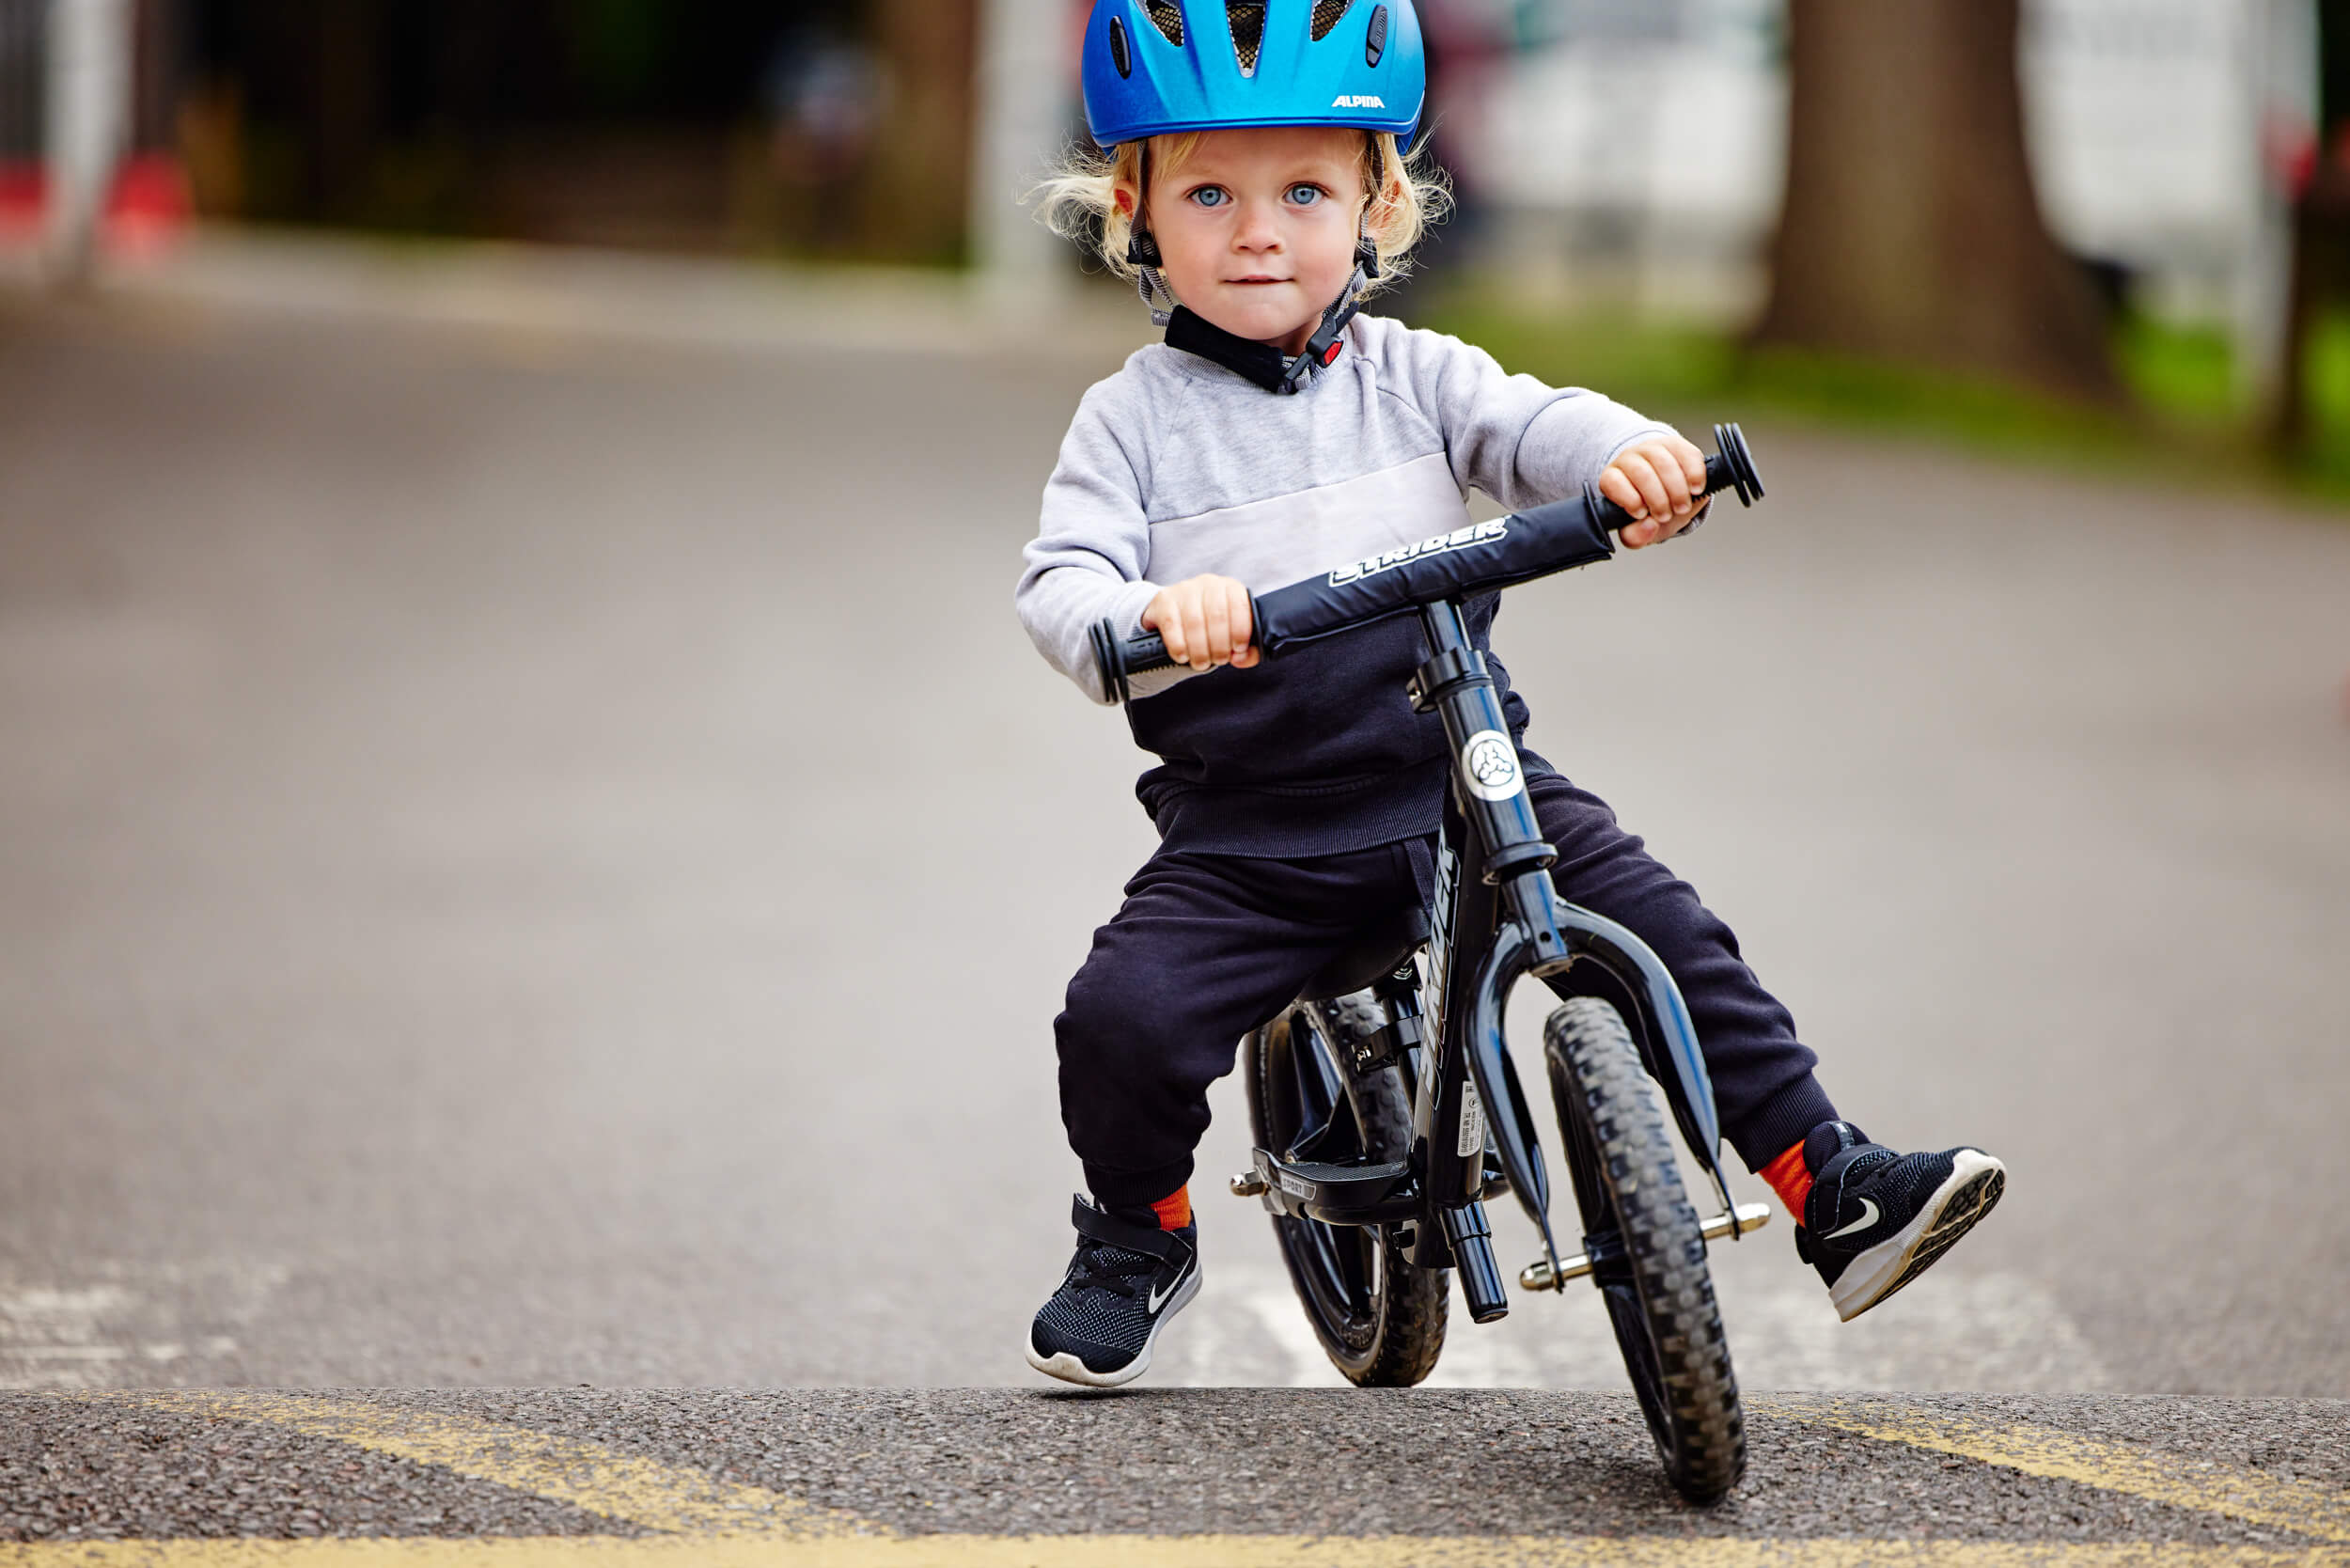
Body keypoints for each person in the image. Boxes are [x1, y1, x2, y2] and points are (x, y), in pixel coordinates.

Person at [1015, 0, 2004, 1388]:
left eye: (1304, 189)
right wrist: (1151, 614)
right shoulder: (1133, 423)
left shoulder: (1419, 378)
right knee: (1121, 1018)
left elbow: (1534, 427)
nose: (1257, 230)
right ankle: (1137, 1233)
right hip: (1253, 836)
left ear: (1377, 204)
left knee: (1665, 934)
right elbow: (1062, 584)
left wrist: (1630, 457)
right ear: (1136, 209)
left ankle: (1830, 1183)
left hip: (1463, 784)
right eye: (1209, 192)